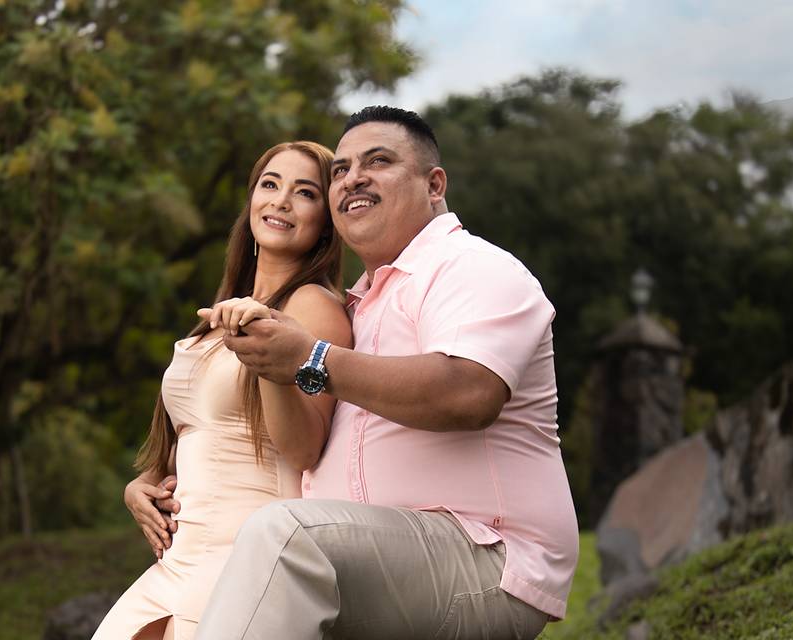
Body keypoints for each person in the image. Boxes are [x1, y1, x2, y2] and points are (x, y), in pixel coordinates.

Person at [190, 106, 580, 640]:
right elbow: (308, 445)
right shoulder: (360, 306)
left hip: (484, 553)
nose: (353, 178)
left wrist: (312, 359)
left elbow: (467, 393)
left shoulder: (471, 266)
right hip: (379, 560)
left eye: (378, 161)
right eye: (341, 169)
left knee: (286, 538)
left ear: (434, 183)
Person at [93, 140, 353, 640]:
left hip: (243, 556)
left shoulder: (315, 308)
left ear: (326, 223)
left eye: (305, 193)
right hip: (179, 557)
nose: (280, 201)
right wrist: (142, 485)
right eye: (270, 184)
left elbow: (303, 449)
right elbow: (206, 429)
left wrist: (270, 355)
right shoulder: (220, 311)